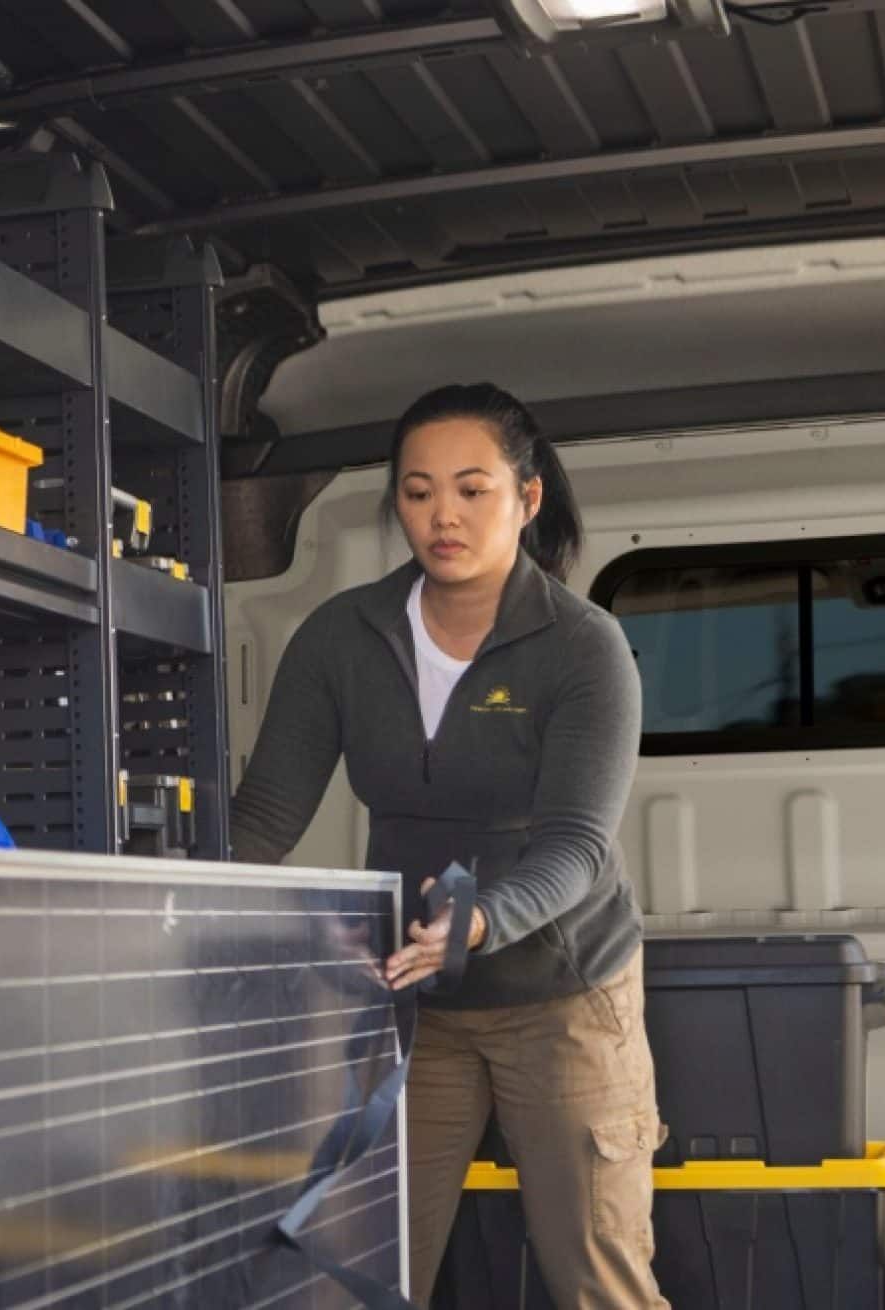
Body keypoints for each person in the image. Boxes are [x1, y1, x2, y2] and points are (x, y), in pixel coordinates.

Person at [230, 384, 660, 1305]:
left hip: (565, 996)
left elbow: (576, 844)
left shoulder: (585, 648)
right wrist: (167, 900)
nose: (443, 516)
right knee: (364, 1271)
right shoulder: (341, 638)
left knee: (599, 1282)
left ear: (528, 498)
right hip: (416, 1006)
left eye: (473, 489)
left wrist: (479, 922)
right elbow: (265, 814)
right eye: (419, 492)